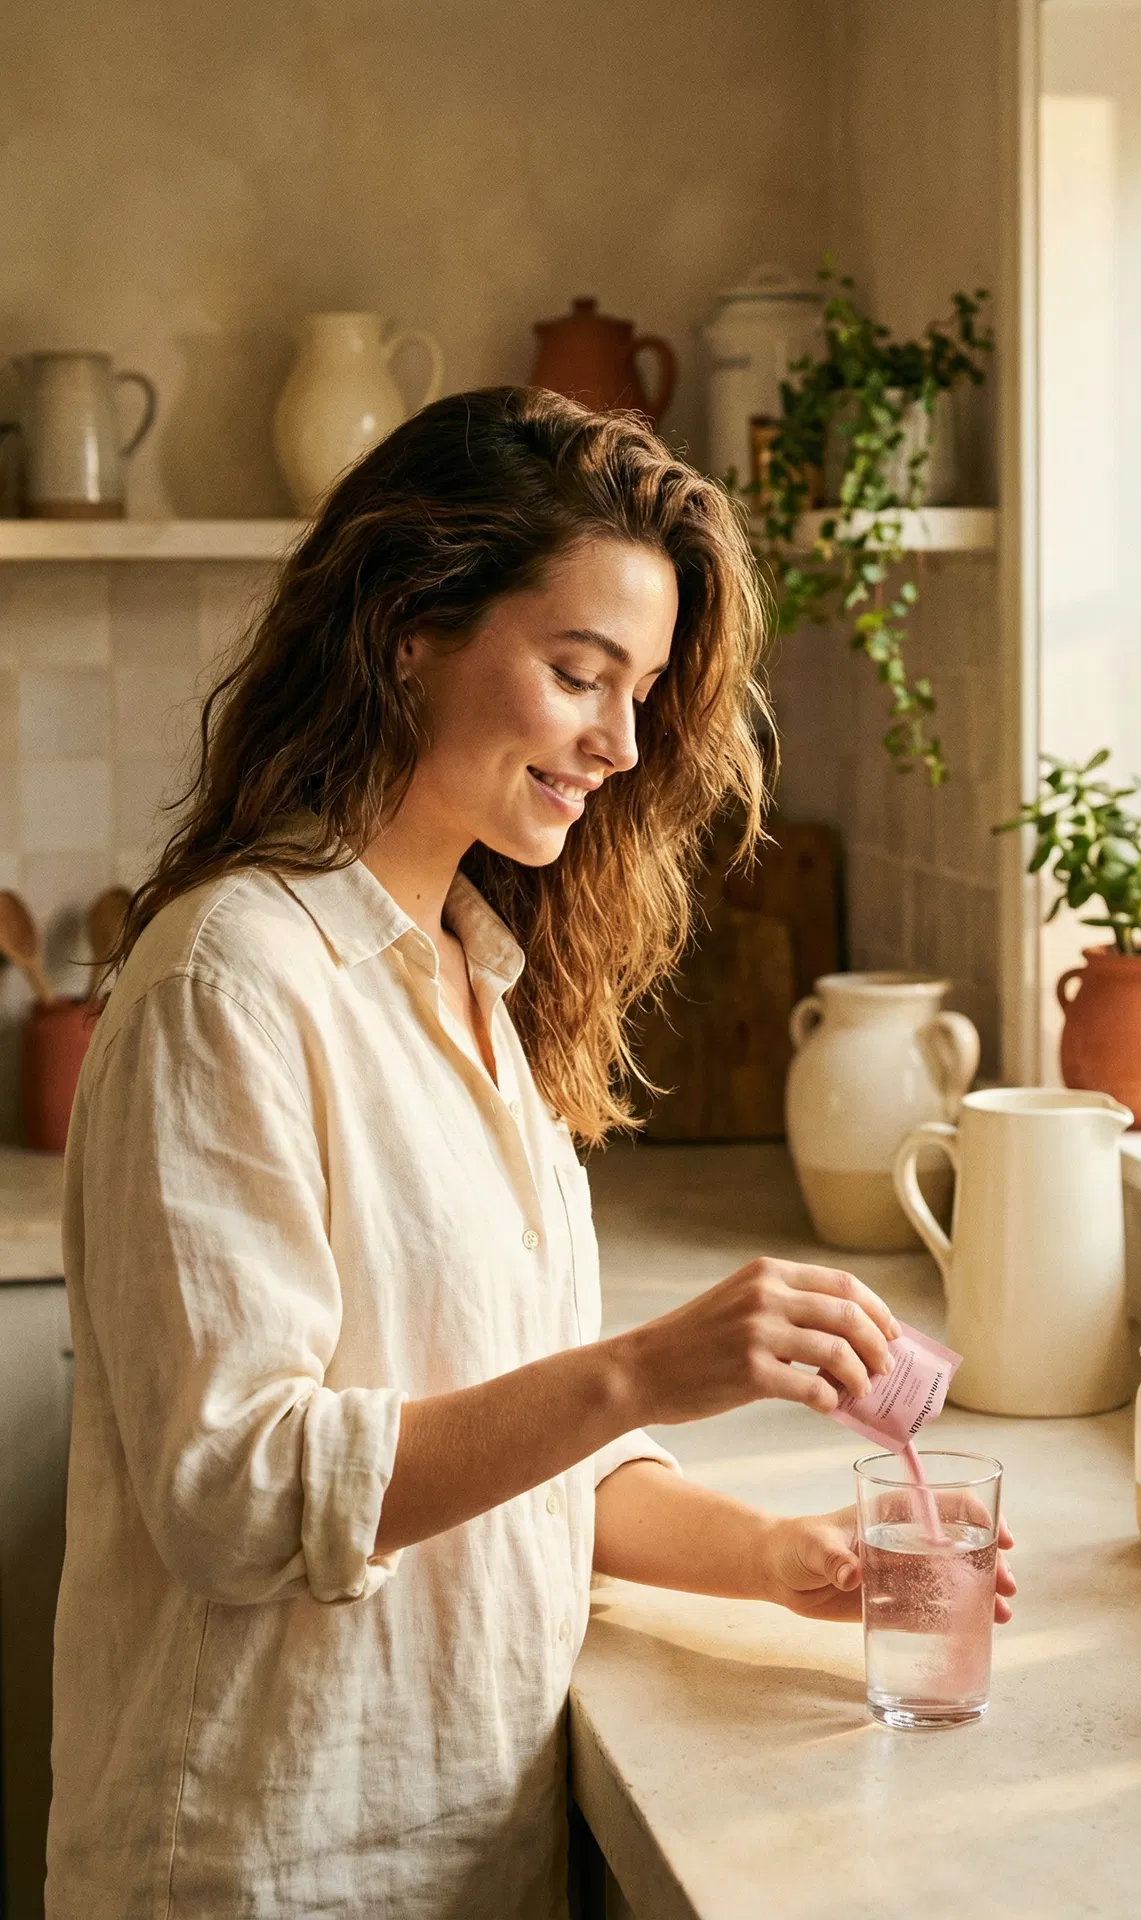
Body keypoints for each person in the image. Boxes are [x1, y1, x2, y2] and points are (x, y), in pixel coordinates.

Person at [47, 387, 1014, 1918]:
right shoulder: (233, 976)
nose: (621, 745)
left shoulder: (477, 976)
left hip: (463, 1844)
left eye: (640, 694)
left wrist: (779, 1555)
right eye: (579, 674)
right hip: (268, 1864)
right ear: (408, 625)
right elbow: (233, 1496)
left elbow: (510, 1445)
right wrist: (640, 1366)